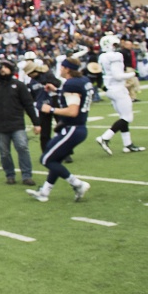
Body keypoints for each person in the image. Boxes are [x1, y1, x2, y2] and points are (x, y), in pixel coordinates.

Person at [26, 57, 93, 202]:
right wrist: (57, 91)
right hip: (77, 128)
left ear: (67, 69)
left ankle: (78, 184)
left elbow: (72, 111)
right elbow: (76, 98)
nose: (60, 70)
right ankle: (44, 192)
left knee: (46, 159)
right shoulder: (83, 81)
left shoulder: (72, 84)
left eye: (62, 67)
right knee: (55, 159)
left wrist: (50, 109)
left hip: (73, 128)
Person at [0, 60, 41, 186]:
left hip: (17, 123)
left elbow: (28, 104)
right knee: (4, 152)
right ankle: (10, 174)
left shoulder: (18, 85)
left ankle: (27, 175)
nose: (2, 69)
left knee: (22, 147)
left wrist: (36, 123)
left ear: (11, 69)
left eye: (5, 67)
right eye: (1, 67)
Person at [94, 34, 146, 154]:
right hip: (118, 88)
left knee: (123, 116)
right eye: (115, 44)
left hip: (110, 89)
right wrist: (133, 74)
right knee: (127, 117)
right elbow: (118, 76)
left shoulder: (102, 56)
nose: (117, 47)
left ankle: (127, 144)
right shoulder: (115, 56)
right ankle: (105, 137)